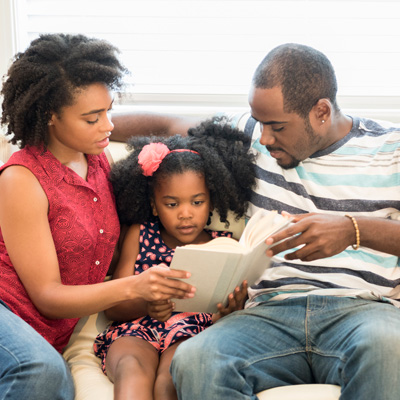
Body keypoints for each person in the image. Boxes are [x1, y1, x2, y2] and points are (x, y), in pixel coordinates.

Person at [168, 43, 400, 399]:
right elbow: (165, 123)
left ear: (321, 111)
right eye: (260, 124)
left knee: (390, 351)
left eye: (277, 126)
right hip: (268, 315)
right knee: (196, 359)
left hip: (363, 311)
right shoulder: (250, 134)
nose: (264, 138)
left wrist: (353, 229)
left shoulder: (391, 148)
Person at [0, 33, 196, 399]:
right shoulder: (21, 179)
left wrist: (186, 127)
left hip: (48, 331)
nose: (108, 125)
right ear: (51, 117)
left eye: (108, 110)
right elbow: (46, 296)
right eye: (93, 118)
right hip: (7, 311)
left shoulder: (95, 156)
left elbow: (159, 125)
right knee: (43, 374)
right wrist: (134, 286)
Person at [93, 117, 256, 400]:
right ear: (155, 206)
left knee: (173, 375)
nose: (185, 213)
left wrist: (231, 309)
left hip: (192, 333)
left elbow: (229, 315)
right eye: (172, 204)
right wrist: (148, 304)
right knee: (131, 368)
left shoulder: (225, 246)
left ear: (212, 202)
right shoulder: (139, 234)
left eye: (197, 202)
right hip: (136, 330)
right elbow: (114, 307)